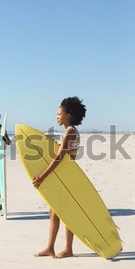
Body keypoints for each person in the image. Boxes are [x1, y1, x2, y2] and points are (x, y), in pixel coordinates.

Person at [33, 96, 86, 258]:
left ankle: (68, 249)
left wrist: (42, 176)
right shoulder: (70, 132)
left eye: (59, 114)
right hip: (63, 177)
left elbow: (59, 158)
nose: (56, 116)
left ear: (68, 115)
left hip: (66, 179)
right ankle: (50, 247)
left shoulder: (70, 132)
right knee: (54, 213)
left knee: (66, 213)